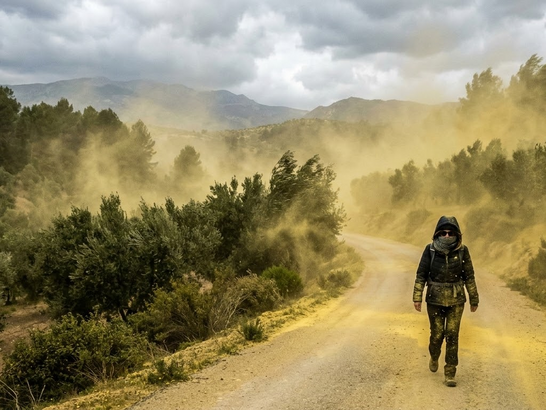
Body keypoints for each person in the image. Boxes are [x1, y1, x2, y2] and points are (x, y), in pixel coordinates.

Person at [412, 215, 479, 387]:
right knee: (436, 335)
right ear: (437, 234)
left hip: (456, 300)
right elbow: (421, 275)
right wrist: (417, 297)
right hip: (434, 299)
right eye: (444, 233)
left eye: (451, 233)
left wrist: (474, 298)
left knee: (452, 335)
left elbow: (469, 276)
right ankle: (434, 355)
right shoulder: (430, 250)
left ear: (457, 234)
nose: (447, 236)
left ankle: (450, 371)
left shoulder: (463, 251)